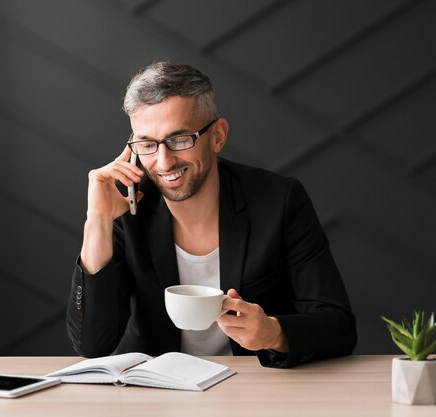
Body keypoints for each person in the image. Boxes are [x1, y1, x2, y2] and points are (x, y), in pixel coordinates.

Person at [66, 62, 356, 368]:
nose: (163, 162)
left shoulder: (279, 201)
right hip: (156, 392)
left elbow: (339, 327)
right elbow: (92, 344)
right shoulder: (126, 205)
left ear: (217, 135)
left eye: (179, 140)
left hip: (254, 392)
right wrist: (97, 219)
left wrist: (274, 334)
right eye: (148, 144)